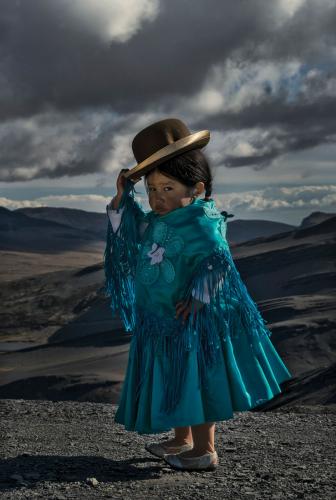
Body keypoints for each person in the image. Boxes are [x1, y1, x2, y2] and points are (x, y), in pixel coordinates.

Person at [104, 118, 292, 471]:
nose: (158, 198)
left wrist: (198, 298)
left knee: (195, 378)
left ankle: (205, 449)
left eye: (168, 188)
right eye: (152, 189)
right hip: (162, 316)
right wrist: (122, 197)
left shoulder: (202, 221)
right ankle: (181, 439)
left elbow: (217, 261)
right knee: (175, 378)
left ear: (197, 187)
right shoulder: (158, 220)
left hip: (191, 321)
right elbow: (127, 232)